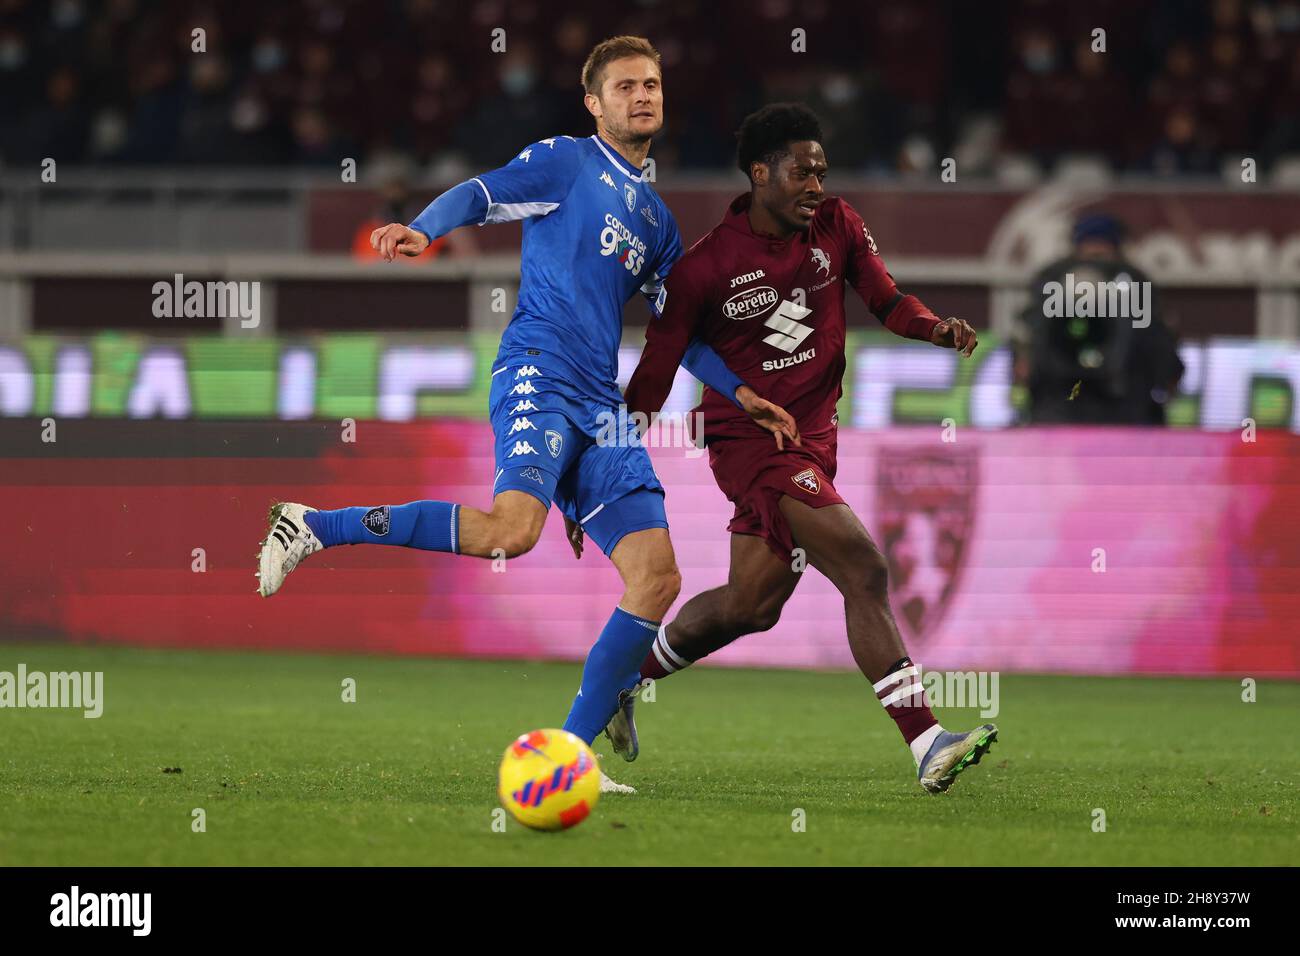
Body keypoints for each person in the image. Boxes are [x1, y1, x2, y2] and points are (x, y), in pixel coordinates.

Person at [254, 38, 797, 794]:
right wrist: (425, 228)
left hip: (600, 408)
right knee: (510, 531)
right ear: (595, 103)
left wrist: (739, 393)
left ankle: (569, 754)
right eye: (625, 86)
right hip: (539, 375)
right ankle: (314, 525)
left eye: (652, 84)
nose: (643, 95)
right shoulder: (567, 161)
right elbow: (484, 192)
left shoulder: (659, 222)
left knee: (657, 578)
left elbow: (677, 333)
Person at [611, 103, 996, 793]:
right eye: (801, 172)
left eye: (821, 170)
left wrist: (935, 329)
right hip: (750, 443)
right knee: (866, 568)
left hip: (815, 439)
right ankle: (928, 741)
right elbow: (657, 368)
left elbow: (886, 299)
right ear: (760, 174)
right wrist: (612, 455)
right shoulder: (706, 267)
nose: (815, 184)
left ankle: (618, 682)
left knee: (750, 605)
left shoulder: (837, 224)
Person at [1022, 213, 1184, 425]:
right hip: (1117, 420)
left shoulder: (1053, 281)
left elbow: (1025, 365)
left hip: (1071, 417)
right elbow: (1168, 369)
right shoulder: (1133, 284)